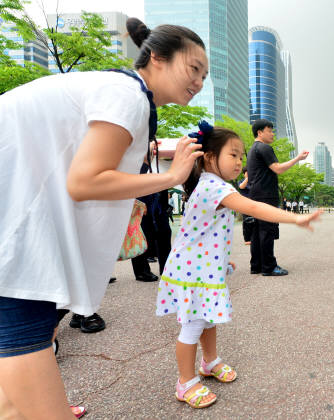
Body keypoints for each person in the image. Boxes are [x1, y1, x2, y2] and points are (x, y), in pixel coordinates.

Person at [0, 18, 208, 419]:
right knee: (26, 338)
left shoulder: (120, 91)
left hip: (21, 220)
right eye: (193, 68)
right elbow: (85, 181)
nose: (199, 81)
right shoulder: (127, 94)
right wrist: (172, 175)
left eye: (204, 75)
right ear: (157, 59)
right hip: (17, 233)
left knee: (16, 377)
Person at [157, 122, 320, 408]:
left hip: (203, 266)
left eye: (241, 156)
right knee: (193, 325)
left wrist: (222, 258)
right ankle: (185, 382)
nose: (239, 162)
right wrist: (296, 218)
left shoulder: (215, 185)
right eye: (233, 155)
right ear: (209, 157)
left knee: (208, 317)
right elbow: (254, 207)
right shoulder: (212, 186)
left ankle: (209, 362)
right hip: (193, 271)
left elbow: (206, 231)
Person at [246, 119, 310, 276]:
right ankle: (269, 267)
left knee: (256, 231)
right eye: (270, 131)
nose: (272, 134)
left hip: (254, 195)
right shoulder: (264, 147)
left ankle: (257, 265)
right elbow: (278, 168)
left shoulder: (252, 149)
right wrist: (297, 159)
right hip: (266, 195)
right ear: (260, 132)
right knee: (267, 230)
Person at [237, 167, 254, 245]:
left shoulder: (253, 182)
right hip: (245, 204)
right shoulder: (241, 181)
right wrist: (247, 178)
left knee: (255, 221)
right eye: (247, 172)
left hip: (254, 204)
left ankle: (255, 237)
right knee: (247, 222)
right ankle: (247, 239)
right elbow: (241, 186)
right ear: (244, 174)